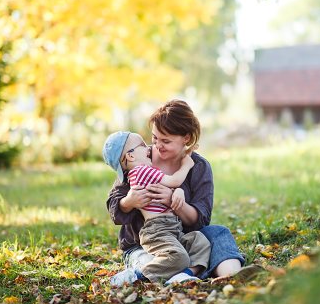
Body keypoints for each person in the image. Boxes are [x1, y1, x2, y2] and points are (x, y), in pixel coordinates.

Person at [106, 99, 261, 285]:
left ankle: (230, 278)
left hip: (181, 235)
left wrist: (176, 202)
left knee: (217, 234)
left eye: (166, 141)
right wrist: (129, 201)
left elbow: (201, 219)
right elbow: (114, 206)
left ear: (186, 138)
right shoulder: (138, 159)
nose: (156, 145)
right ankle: (161, 275)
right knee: (154, 260)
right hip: (144, 241)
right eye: (155, 138)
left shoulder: (199, 166)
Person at [102, 130, 211, 285]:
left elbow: (167, 189)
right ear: (130, 156)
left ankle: (181, 275)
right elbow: (174, 181)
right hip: (157, 230)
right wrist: (186, 165)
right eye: (142, 145)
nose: (148, 148)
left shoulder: (143, 172)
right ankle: (136, 275)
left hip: (171, 228)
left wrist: (178, 192)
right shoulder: (141, 171)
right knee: (178, 257)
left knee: (199, 242)